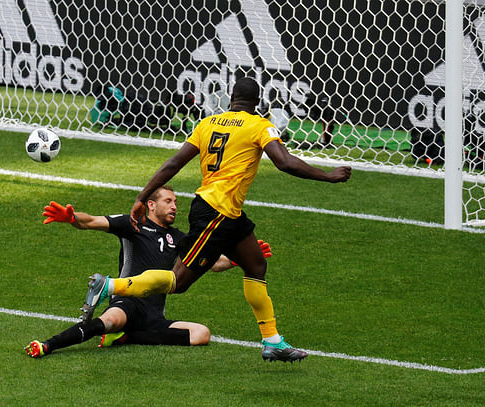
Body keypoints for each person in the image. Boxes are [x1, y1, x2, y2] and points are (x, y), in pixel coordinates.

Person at [81, 77, 352, 363]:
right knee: (178, 281)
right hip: (214, 213)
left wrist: (143, 195)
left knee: (256, 263)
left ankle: (272, 341)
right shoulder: (260, 126)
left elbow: (174, 163)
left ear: (231, 98)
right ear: (257, 101)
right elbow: (284, 162)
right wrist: (328, 175)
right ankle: (110, 286)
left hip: (229, 213)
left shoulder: (208, 123)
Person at [23, 186, 272, 358]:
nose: (174, 206)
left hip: (154, 313)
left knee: (201, 334)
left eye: (176, 202)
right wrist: (72, 217)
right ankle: (48, 345)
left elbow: (211, 262)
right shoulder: (133, 225)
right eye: (168, 201)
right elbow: (90, 221)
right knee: (110, 321)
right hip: (128, 302)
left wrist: (239, 259)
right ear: (151, 205)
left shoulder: (178, 237)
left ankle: (127, 336)